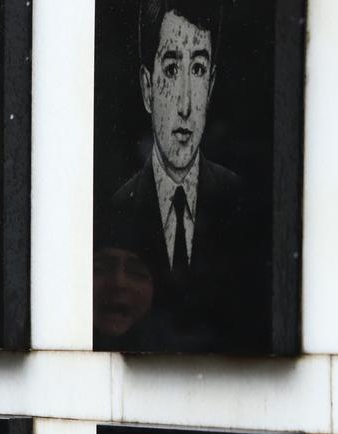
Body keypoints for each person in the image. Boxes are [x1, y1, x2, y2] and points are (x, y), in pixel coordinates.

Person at [101, 0, 254, 351]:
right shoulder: (118, 205)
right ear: (147, 86)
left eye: (198, 69)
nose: (185, 103)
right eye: (171, 70)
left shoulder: (238, 198)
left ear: (211, 85)